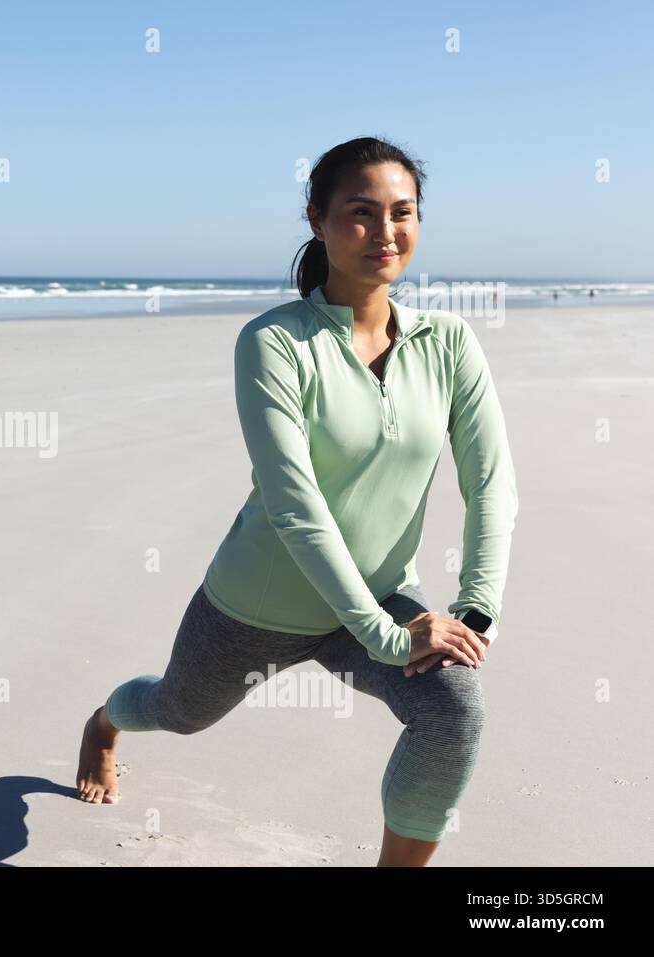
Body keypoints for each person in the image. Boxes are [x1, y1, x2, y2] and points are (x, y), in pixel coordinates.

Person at [76, 136, 517, 867]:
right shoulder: (275, 341)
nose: (385, 233)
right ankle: (100, 724)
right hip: (256, 605)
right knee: (175, 711)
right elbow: (295, 502)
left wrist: (476, 611)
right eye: (361, 212)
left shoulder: (451, 343)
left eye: (401, 213)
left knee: (454, 708)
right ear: (316, 218)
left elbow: (491, 483)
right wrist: (383, 635)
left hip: (378, 598)